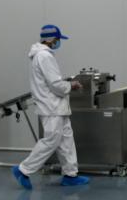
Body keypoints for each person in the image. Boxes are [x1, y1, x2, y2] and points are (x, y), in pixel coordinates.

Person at [12, 25, 90, 188]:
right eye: (58, 39)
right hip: (51, 107)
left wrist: (65, 85)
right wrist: (71, 85)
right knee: (51, 140)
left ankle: (70, 175)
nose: (58, 42)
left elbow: (51, 81)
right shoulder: (44, 56)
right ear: (51, 39)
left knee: (66, 140)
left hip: (57, 107)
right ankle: (23, 169)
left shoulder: (40, 56)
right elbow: (55, 84)